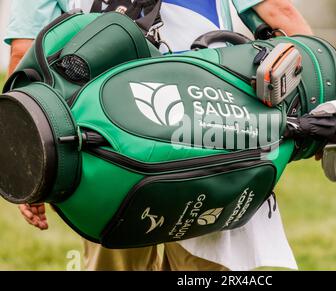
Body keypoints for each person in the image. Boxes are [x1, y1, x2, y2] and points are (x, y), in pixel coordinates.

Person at [6, 0, 313, 271]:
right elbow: (277, 12)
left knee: (115, 252)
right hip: (206, 123)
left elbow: (26, 56)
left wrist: (28, 165)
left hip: (102, 144)